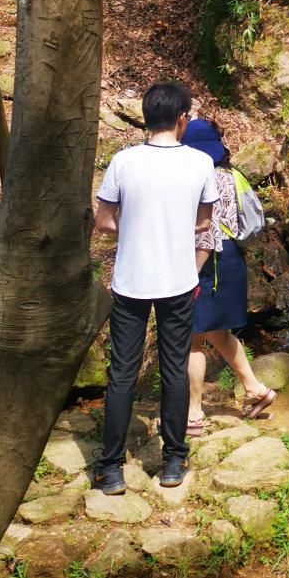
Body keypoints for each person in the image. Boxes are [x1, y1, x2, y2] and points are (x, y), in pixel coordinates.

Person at [93, 82, 219, 494]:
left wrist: (132, 226)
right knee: (174, 368)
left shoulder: (123, 162)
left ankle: (110, 469)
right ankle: (173, 461)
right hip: (178, 280)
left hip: (130, 281)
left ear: (147, 117)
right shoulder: (201, 163)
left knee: (122, 374)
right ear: (182, 118)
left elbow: (104, 221)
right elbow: (203, 222)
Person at [180, 117, 275, 428]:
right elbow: (254, 222)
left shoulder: (194, 177)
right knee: (217, 332)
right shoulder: (235, 177)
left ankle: (193, 413)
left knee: (191, 337)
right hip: (231, 257)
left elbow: (194, 229)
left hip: (204, 259)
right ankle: (255, 389)